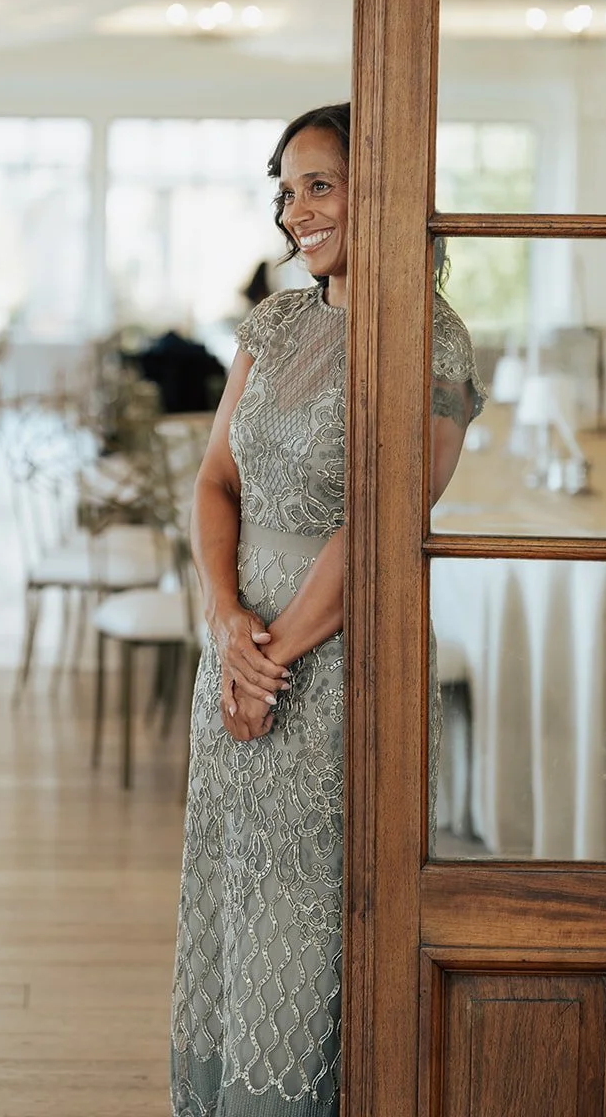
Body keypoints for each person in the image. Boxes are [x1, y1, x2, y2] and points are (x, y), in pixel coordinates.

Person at [170, 102, 485, 1116]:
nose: (297, 211)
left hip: (343, 663)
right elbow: (215, 479)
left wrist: (269, 662)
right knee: (232, 890)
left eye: (320, 184)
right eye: (287, 191)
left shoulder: (429, 339)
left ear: (382, 190)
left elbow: (383, 523)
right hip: (236, 652)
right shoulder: (274, 319)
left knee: (318, 912)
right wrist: (224, 624)